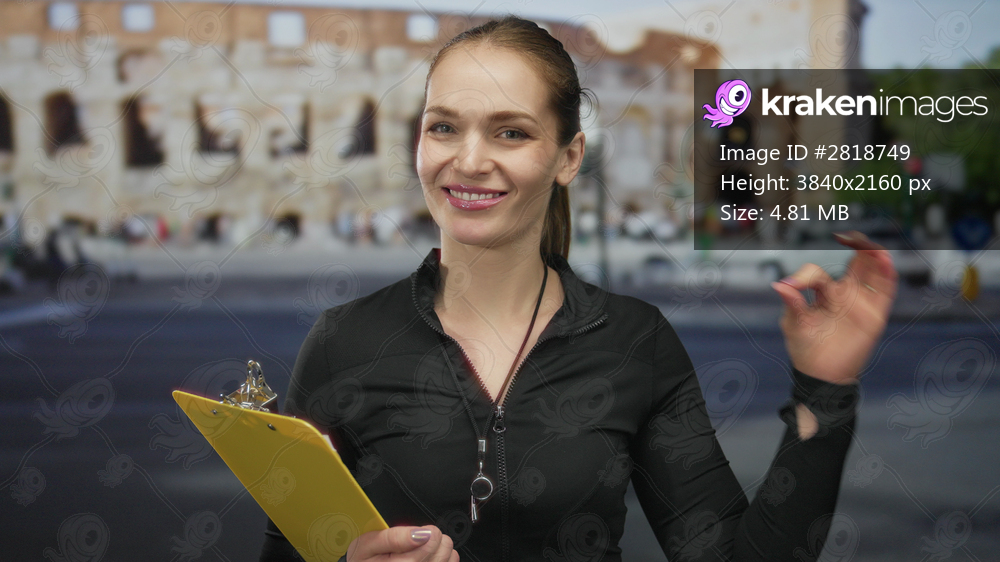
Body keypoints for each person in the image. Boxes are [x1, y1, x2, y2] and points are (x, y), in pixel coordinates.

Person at [258, 16, 898, 562]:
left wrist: (825, 391)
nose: (469, 160)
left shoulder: (635, 343)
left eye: (511, 132)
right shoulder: (344, 341)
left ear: (569, 157)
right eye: (443, 127)